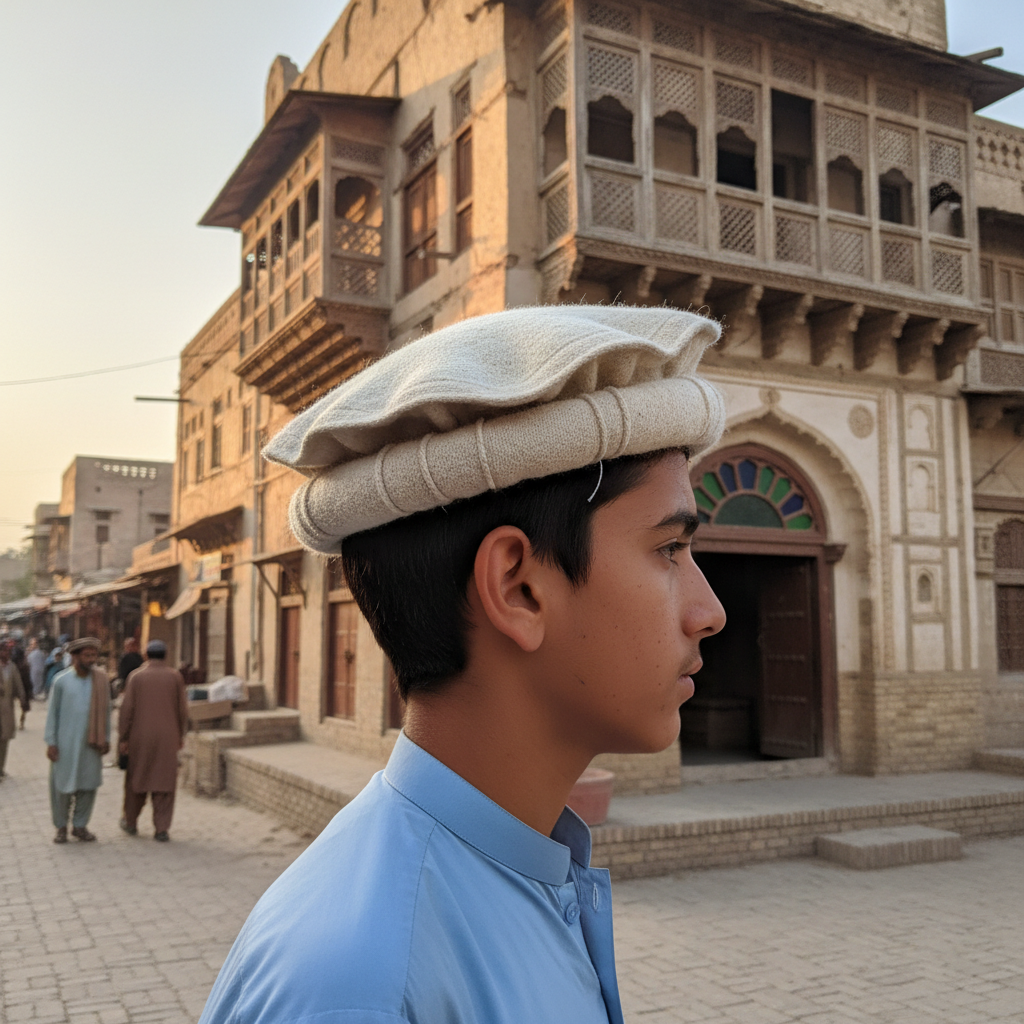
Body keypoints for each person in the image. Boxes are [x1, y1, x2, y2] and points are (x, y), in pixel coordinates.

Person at [198, 306, 727, 1024]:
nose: (710, 611)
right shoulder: (361, 985)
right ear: (519, 588)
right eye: (669, 550)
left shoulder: (514, 871)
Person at [117, 639, 189, 841]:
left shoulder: (136, 677)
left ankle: (130, 822)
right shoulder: (175, 676)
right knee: (164, 783)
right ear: (165, 655)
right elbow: (183, 710)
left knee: (136, 780)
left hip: (140, 737)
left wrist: (123, 737)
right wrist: (180, 735)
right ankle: (162, 829)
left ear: (146, 655)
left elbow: (127, 710)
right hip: (168, 736)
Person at [44, 637, 111, 843]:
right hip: (65, 744)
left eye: (94, 655)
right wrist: (51, 742)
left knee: (88, 786)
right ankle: (61, 827)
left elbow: (106, 713)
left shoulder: (100, 680)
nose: (92, 660)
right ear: (75, 657)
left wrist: (106, 738)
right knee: (61, 787)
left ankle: (80, 826)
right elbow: (52, 714)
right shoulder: (61, 681)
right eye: (87, 655)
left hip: (91, 744)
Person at [1, 642, 27, 779]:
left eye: (7, 651)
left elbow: (18, 684)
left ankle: (1, 768)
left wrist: (23, 699)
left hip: (6, 709)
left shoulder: (12, 667)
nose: (6, 654)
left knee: (4, 739)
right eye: (3, 651)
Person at [11, 645, 32, 729]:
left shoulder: (12, 665)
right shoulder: (24, 665)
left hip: (18, 686)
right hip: (23, 686)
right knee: (23, 704)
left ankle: (19, 721)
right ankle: (21, 722)